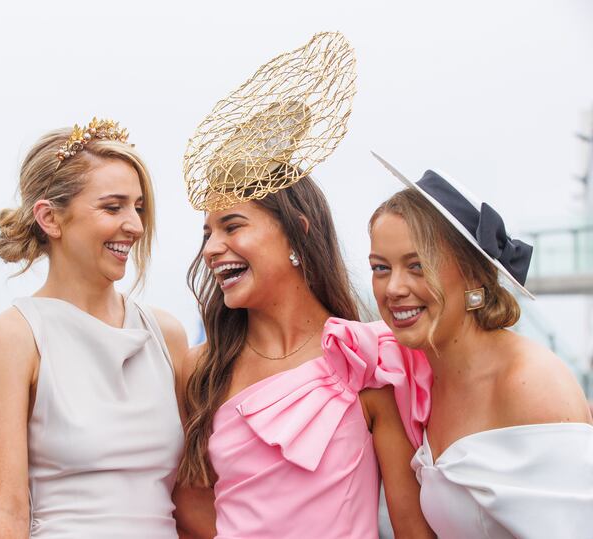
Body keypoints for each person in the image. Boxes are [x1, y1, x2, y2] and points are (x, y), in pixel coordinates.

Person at [174, 33, 434, 539]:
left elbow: (410, 525)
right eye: (207, 233)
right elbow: (191, 509)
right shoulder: (199, 370)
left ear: (297, 230)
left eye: (232, 226)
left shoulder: (368, 359)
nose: (210, 248)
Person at [0, 119, 187, 538]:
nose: (136, 226)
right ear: (50, 218)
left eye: (138, 207)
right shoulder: (13, 337)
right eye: (113, 207)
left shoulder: (167, 334)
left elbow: (188, 496)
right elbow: (5, 510)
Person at [368, 153, 593, 538]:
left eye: (418, 265)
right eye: (380, 268)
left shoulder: (529, 382)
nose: (393, 289)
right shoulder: (420, 381)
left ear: (472, 272)